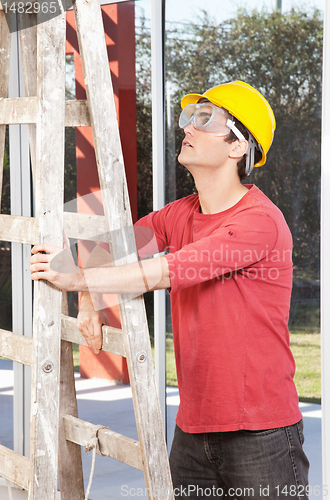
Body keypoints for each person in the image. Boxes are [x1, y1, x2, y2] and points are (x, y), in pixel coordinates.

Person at [30, 80, 309, 499]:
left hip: (261, 433)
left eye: (205, 121)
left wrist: (76, 280)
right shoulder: (179, 214)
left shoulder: (259, 222)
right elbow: (111, 250)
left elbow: (165, 271)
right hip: (192, 431)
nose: (188, 129)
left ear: (238, 148)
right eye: (188, 119)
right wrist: (86, 297)